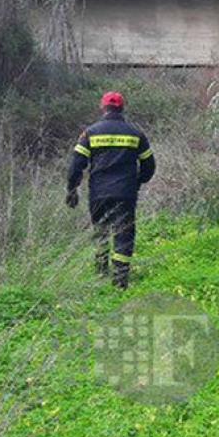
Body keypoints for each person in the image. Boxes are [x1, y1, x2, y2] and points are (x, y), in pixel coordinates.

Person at [67, 92, 156, 289]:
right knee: (124, 234)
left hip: (98, 193)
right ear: (122, 108)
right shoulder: (135, 134)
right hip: (125, 193)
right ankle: (120, 281)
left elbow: (76, 165)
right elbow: (149, 165)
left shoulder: (90, 133)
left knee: (100, 232)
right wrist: (139, 181)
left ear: (103, 108)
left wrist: (71, 190)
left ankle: (100, 273)